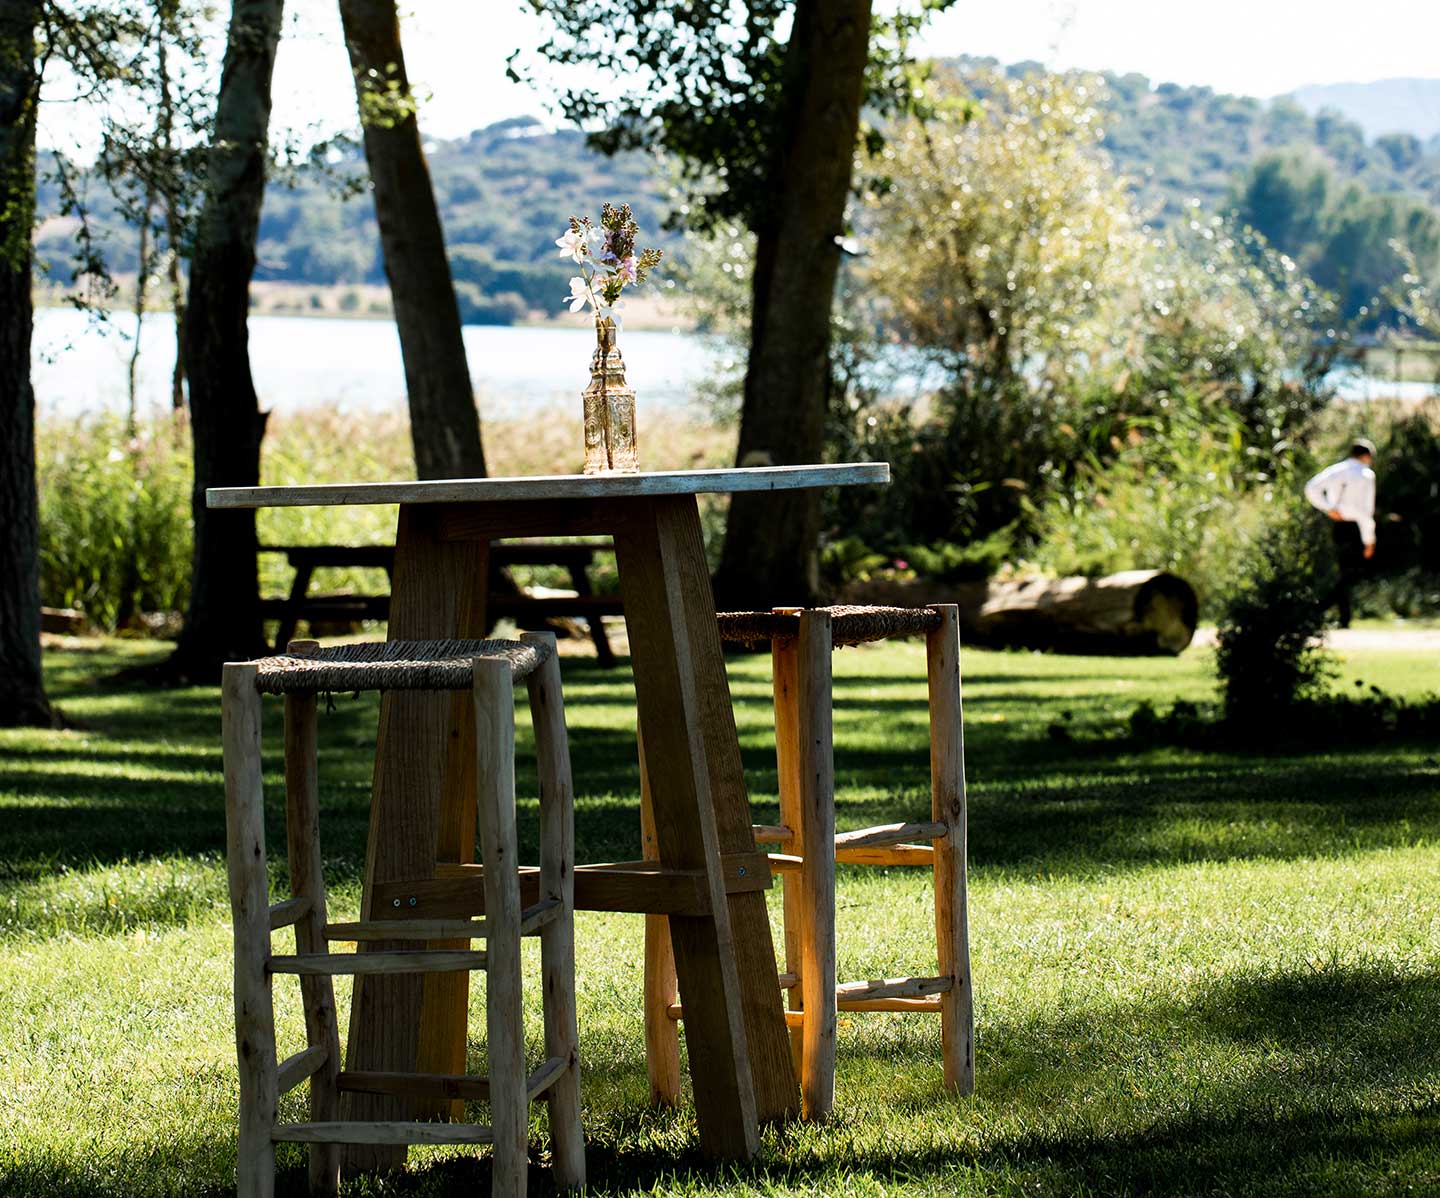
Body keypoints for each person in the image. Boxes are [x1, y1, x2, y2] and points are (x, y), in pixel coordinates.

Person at [1304, 438, 1377, 628]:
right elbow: (1366, 511)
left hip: (1338, 525)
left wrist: (1328, 508)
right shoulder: (1366, 475)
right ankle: (1319, 609)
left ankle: (1344, 618)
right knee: (1350, 573)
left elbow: (1311, 488)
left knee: (1345, 571)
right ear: (1366, 456)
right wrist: (1369, 538)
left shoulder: (1337, 470)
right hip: (1355, 526)